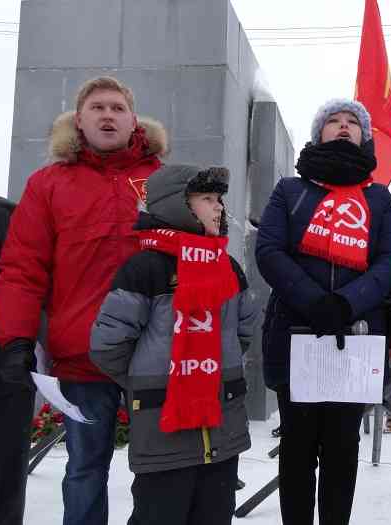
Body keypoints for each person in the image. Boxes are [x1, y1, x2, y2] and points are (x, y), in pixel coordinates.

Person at [0, 76, 168, 525]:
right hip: (81, 355)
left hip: (153, 356)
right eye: (97, 108)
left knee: (160, 473)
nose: (107, 115)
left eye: (117, 107)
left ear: (133, 122)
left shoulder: (165, 181)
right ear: (79, 120)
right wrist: (15, 340)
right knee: (85, 470)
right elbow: (22, 269)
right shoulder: (47, 185)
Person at [255, 98, 391, 525]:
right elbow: (269, 251)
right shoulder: (290, 190)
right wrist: (314, 300)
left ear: (365, 136)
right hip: (296, 332)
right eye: (333, 121)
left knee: (342, 451)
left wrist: (346, 302)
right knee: (298, 451)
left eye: (352, 122)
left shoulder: (378, 198)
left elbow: (390, 261)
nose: (343, 127)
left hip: (355, 337)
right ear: (318, 133)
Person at [90, 165, 256, 525]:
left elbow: (243, 332)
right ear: (176, 205)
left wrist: (210, 373)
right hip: (163, 431)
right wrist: (155, 381)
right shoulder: (145, 268)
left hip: (222, 430)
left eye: (220, 200)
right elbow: (108, 346)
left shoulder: (227, 266)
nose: (219, 208)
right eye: (207, 199)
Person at [0, 194, 34, 525]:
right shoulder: (7, 214)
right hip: (7, 366)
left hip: (4, 368)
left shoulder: (5, 216)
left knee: (2, 479)